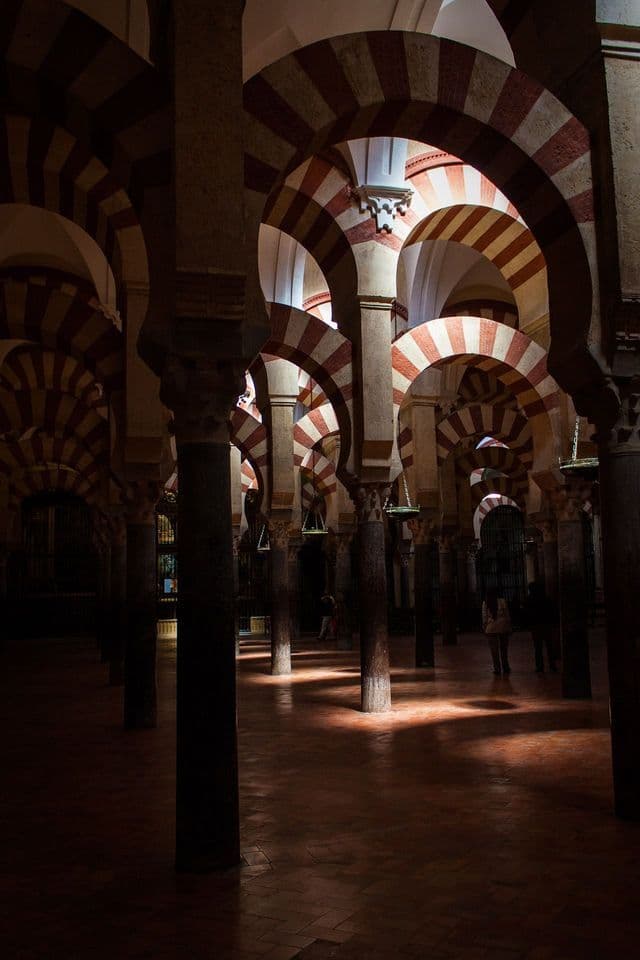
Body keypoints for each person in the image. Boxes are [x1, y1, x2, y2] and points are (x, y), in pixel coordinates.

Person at [525, 582, 558, 673]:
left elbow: (527, 613)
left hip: (535, 626)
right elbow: (552, 611)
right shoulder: (546, 599)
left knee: (538, 648)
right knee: (549, 647)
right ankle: (552, 665)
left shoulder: (529, 599)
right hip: (546, 625)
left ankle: (539, 666)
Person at [482, 587, 512, 676]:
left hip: (491, 629)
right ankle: (505, 667)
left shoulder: (485, 603)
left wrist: (484, 629)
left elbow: (484, 618)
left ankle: (497, 668)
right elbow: (507, 615)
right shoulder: (502, 601)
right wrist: (509, 627)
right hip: (503, 627)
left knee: (494, 651)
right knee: (504, 649)